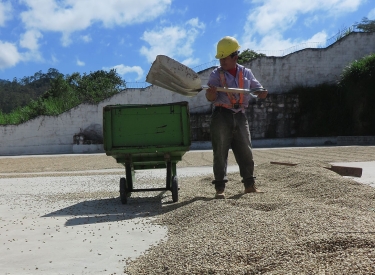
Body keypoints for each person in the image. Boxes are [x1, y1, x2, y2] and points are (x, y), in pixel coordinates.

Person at [205, 36, 268, 199]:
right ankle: (220, 189)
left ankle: (249, 185)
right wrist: (211, 95)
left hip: (240, 115)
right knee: (220, 152)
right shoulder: (215, 75)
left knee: (246, 151)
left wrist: (261, 92)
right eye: (220, 58)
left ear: (235, 56)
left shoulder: (246, 73)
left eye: (225, 58)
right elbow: (210, 99)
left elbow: (257, 89)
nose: (222, 62)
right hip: (221, 115)